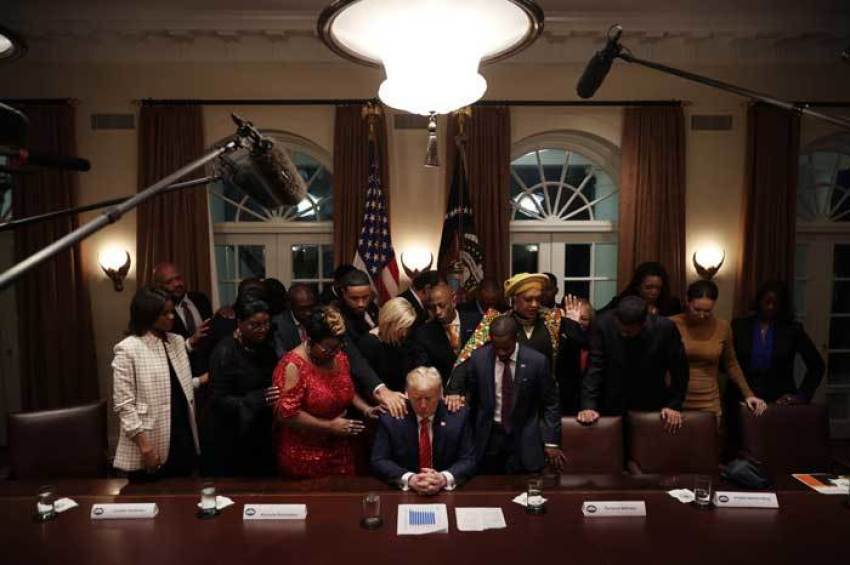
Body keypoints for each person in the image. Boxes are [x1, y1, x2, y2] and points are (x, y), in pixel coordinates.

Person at [273, 306, 383, 478]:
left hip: (341, 448)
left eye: (338, 347)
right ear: (310, 339)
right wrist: (329, 426)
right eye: (328, 348)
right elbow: (286, 414)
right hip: (304, 455)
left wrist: (366, 409)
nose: (334, 353)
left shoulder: (339, 357)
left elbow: (344, 388)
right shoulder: (293, 365)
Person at [447, 316, 566, 474]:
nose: (501, 352)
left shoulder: (537, 362)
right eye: (496, 347)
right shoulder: (479, 359)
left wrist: (551, 442)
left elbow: (551, 403)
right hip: (489, 438)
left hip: (524, 438)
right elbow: (472, 398)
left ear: (516, 338)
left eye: (506, 348)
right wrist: (456, 394)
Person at [112, 287, 199, 479]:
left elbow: (178, 387)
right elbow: (124, 406)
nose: (171, 317)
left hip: (182, 435)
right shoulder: (128, 349)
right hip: (149, 442)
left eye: (172, 311)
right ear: (147, 315)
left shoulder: (177, 341)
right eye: (164, 313)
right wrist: (146, 448)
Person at [578, 296, 689, 433]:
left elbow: (679, 370)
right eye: (621, 330)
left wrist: (674, 404)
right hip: (611, 399)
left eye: (629, 332)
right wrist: (588, 405)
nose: (624, 334)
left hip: (650, 399)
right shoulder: (603, 324)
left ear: (643, 323)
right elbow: (594, 367)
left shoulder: (664, 328)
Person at [670, 280, 767, 425]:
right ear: (687, 301)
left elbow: (731, 364)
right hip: (675, 399)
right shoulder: (671, 324)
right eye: (697, 309)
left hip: (708, 400)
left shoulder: (722, 327)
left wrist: (748, 394)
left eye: (707, 311)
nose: (702, 315)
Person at [205, 297, 279, 476]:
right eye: (255, 325)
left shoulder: (266, 348)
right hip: (231, 436)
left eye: (266, 323)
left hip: (260, 432)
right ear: (240, 323)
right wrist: (253, 400)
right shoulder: (225, 352)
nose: (263, 329)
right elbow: (218, 400)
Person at [452, 273, 584, 374]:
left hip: (545, 393)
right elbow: (466, 357)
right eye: (528, 299)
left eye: (538, 299)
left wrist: (573, 323)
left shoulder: (553, 319)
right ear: (515, 299)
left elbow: (582, 344)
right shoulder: (497, 320)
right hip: (508, 392)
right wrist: (455, 390)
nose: (534, 304)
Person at [371, 367, 476, 493]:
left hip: (445, 492)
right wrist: (409, 479)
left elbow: (468, 460)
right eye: (417, 398)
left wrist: (443, 478)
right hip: (404, 493)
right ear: (406, 394)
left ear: (441, 394)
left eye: (429, 398)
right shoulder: (391, 418)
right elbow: (379, 460)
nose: (423, 405)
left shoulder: (457, 415)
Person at [732, 281, 825, 404]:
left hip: (779, 400)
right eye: (767, 302)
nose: (770, 307)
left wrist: (802, 396)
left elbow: (817, 365)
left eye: (775, 304)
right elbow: (727, 364)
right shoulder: (740, 327)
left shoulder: (792, 330)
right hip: (742, 398)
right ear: (759, 301)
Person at [409, 282, 479, 385]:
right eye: (433, 307)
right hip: (445, 390)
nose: (437, 311)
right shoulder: (423, 334)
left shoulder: (477, 321)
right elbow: (424, 371)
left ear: (454, 301)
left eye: (441, 305)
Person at [152, 262, 212, 378]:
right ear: (159, 286)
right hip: (181, 375)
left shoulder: (201, 299)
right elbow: (164, 351)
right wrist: (191, 341)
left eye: (178, 278)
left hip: (209, 372)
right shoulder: (160, 312)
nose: (177, 284)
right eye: (169, 282)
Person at [358, 298, 419, 392]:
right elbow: (366, 383)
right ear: (389, 323)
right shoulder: (369, 344)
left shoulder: (401, 339)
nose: (404, 333)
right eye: (401, 328)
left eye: (407, 328)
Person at [601, 261, 683, 317]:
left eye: (658, 288)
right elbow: (601, 316)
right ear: (638, 287)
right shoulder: (623, 301)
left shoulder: (672, 305)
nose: (654, 292)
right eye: (648, 287)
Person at [555, 296, 593, 415]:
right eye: (575, 319)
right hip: (565, 403)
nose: (579, 322)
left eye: (584, 318)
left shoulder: (596, 340)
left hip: (589, 403)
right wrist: (570, 325)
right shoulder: (558, 340)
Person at [333, 268, 379, 343]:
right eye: (354, 298)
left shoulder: (373, 308)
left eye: (365, 297)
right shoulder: (336, 317)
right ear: (343, 293)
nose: (361, 304)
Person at [272, 283, 318, 357]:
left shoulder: (317, 319)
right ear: (290, 305)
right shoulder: (278, 325)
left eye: (311, 307)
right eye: (302, 308)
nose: (308, 313)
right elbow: (282, 357)